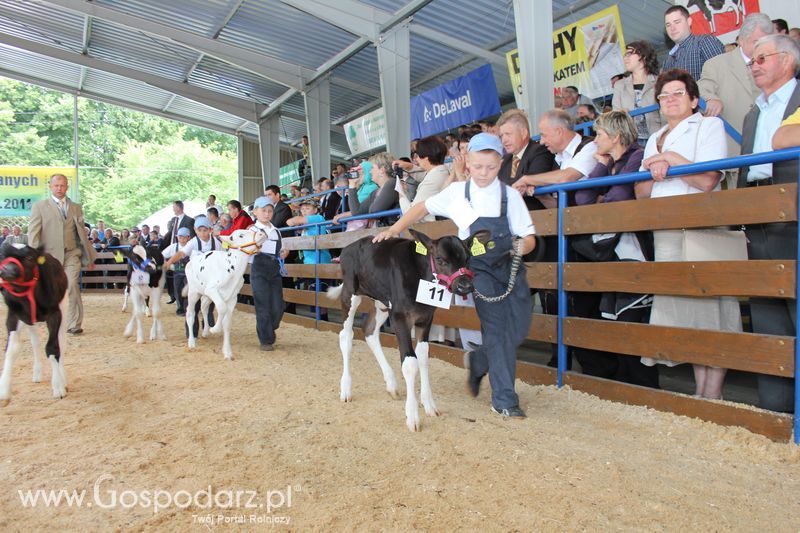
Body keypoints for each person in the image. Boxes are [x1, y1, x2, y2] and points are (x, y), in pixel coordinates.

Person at [373, 133, 536, 419]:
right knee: (496, 329)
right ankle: (505, 400)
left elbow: (529, 237)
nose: (484, 173)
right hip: (479, 270)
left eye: (491, 167)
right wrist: (395, 229)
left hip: (510, 267)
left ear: (501, 164)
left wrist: (518, 245)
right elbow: (422, 207)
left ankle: (479, 359)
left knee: (519, 328)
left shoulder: (509, 196)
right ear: (467, 164)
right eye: (478, 166)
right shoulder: (457, 193)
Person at [635, 69, 735, 400]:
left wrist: (671, 161)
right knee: (685, 310)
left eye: (678, 93)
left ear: (694, 99)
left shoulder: (709, 125)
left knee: (710, 307)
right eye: (664, 96)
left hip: (702, 225)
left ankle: (714, 393)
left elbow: (708, 179)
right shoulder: (654, 137)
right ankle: (699, 391)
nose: (671, 100)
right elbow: (641, 192)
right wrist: (655, 168)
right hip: (666, 228)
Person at [572, 111, 658, 388]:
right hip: (613, 249)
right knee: (616, 316)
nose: (595, 140)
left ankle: (644, 387)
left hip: (633, 249)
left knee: (633, 318)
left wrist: (603, 194)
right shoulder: (610, 163)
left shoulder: (637, 155)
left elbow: (620, 197)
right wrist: (601, 167)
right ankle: (625, 386)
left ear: (616, 137)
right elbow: (583, 197)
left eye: (599, 135)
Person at [739, 34, 800, 412]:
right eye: (752, 60)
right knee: (766, 313)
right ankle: (775, 412)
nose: (755, 64)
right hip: (756, 211)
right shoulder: (752, 113)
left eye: (762, 58)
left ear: (788, 61)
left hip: (791, 209)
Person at [699, 13, 774, 168]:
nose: (761, 47)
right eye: (756, 42)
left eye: (766, 42)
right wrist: (710, 99)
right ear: (741, 40)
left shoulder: (774, 64)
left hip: (771, 150)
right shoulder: (716, 64)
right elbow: (701, 88)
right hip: (735, 151)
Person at [27, 173, 97, 334]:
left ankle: (74, 324)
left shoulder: (76, 207)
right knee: (52, 289)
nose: (59, 188)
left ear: (67, 187)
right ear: (50, 187)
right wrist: (35, 256)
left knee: (72, 285)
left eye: (62, 185)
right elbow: (33, 233)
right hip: (49, 257)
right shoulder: (40, 207)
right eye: (56, 185)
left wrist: (88, 256)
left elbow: (81, 234)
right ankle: (54, 319)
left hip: (72, 254)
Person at [163, 215, 221, 336]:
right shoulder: (193, 242)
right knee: (192, 305)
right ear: (195, 230)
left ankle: (208, 327)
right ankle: (191, 332)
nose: (203, 233)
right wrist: (169, 262)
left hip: (211, 279)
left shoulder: (217, 243)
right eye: (199, 230)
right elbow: (182, 253)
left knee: (210, 305)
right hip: (196, 279)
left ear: (210, 230)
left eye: (205, 230)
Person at [496, 108, 556, 210]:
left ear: (523, 133)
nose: (504, 140)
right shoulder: (504, 159)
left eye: (508, 134)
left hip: (537, 217)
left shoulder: (540, 151)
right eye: (501, 136)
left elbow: (532, 178)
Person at [249, 196, 287, 351]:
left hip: (274, 269)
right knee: (263, 305)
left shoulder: (276, 231)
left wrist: (284, 253)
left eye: (270, 211)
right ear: (255, 212)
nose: (267, 214)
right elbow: (245, 251)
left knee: (279, 305)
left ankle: (270, 327)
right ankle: (266, 340)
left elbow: (281, 249)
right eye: (263, 210)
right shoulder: (251, 230)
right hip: (258, 269)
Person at [613, 40, 663, 145]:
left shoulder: (660, 81)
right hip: (631, 142)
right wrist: (621, 114)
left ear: (643, 56)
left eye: (629, 54)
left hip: (657, 138)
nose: (625, 58)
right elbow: (615, 115)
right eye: (624, 55)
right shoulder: (619, 85)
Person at [333, 152, 399, 228]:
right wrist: (352, 185)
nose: (370, 172)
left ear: (382, 170)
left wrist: (368, 211)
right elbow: (356, 212)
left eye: (372, 168)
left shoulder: (392, 182)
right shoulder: (376, 191)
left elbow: (375, 211)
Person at [395, 135, 450, 222]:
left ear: (426, 158)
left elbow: (411, 213)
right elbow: (424, 174)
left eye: (418, 156)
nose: (416, 159)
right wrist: (409, 167)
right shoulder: (442, 171)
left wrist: (401, 193)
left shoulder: (432, 180)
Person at [661, 5, 724, 81]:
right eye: (668, 25)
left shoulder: (704, 42)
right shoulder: (667, 61)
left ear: (689, 21)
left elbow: (723, 76)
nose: (672, 28)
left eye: (677, 22)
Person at [162, 227, 192, 316]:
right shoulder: (173, 247)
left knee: (189, 290)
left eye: (184, 237)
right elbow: (161, 255)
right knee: (178, 290)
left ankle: (188, 308)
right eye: (180, 237)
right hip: (177, 273)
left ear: (188, 237)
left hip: (189, 274)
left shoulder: (192, 246)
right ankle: (180, 309)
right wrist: (167, 264)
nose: (182, 239)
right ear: (177, 237)